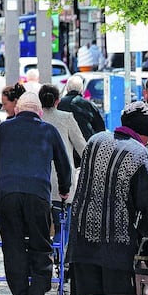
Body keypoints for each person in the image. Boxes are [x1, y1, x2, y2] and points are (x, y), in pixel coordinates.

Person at [0, 91, 72, 295]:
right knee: (41, 245)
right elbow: (64, 164)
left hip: (9, 195)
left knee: (13, 247)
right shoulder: (48, 130)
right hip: (38, 195)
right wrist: (64, 189)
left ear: (17, 110)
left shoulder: (4, 129)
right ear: (40, 112)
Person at [69, 101, 148, 295]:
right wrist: (146, 233)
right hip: (116, 250)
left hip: (81, 245)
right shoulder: (140, 154)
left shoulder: (94, 141)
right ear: (143, 132)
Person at [39, 84, 86, 231]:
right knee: (63, 226)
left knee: (42, 226)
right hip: (62, 181)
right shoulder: (66, 118)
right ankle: (60, 252)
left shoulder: (36, 119)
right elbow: (82, 147)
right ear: (57, 100)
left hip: (39, 180)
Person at [58, 74, 106, 143]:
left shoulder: (58, 104)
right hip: (86, 145)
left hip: (65, 145)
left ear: (67, 88)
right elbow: (100, 129)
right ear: (81, 90)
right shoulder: (89, 105)